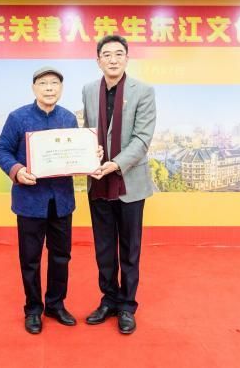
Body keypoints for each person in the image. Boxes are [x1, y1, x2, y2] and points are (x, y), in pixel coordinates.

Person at [0, 66, 79, 335]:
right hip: (30, 201)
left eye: (55, 83)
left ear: (61, 88)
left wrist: (89, 156)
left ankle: (55, 304)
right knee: (30, 259)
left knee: (61, 256)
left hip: (61, 201)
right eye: (43, 83)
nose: (49, 88)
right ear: (34, 88)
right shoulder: (17, 117)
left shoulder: (68, 118)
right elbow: (2, 150)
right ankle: (33, 309)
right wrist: (17, 170)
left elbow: (76, 153)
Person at [82, 35, 156, 334]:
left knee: (129, 248)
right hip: (98, 180)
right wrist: (90, 152)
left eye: (118, 54)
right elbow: (88, 130)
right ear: (98, 60)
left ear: (127, 58)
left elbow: (142, 138)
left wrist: (116, 163)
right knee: (103, 247)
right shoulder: (89, 90)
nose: (113, 59)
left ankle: (127, 305)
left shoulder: (144, 91)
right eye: (107, 54)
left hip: (129, 181)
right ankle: (108, 300)